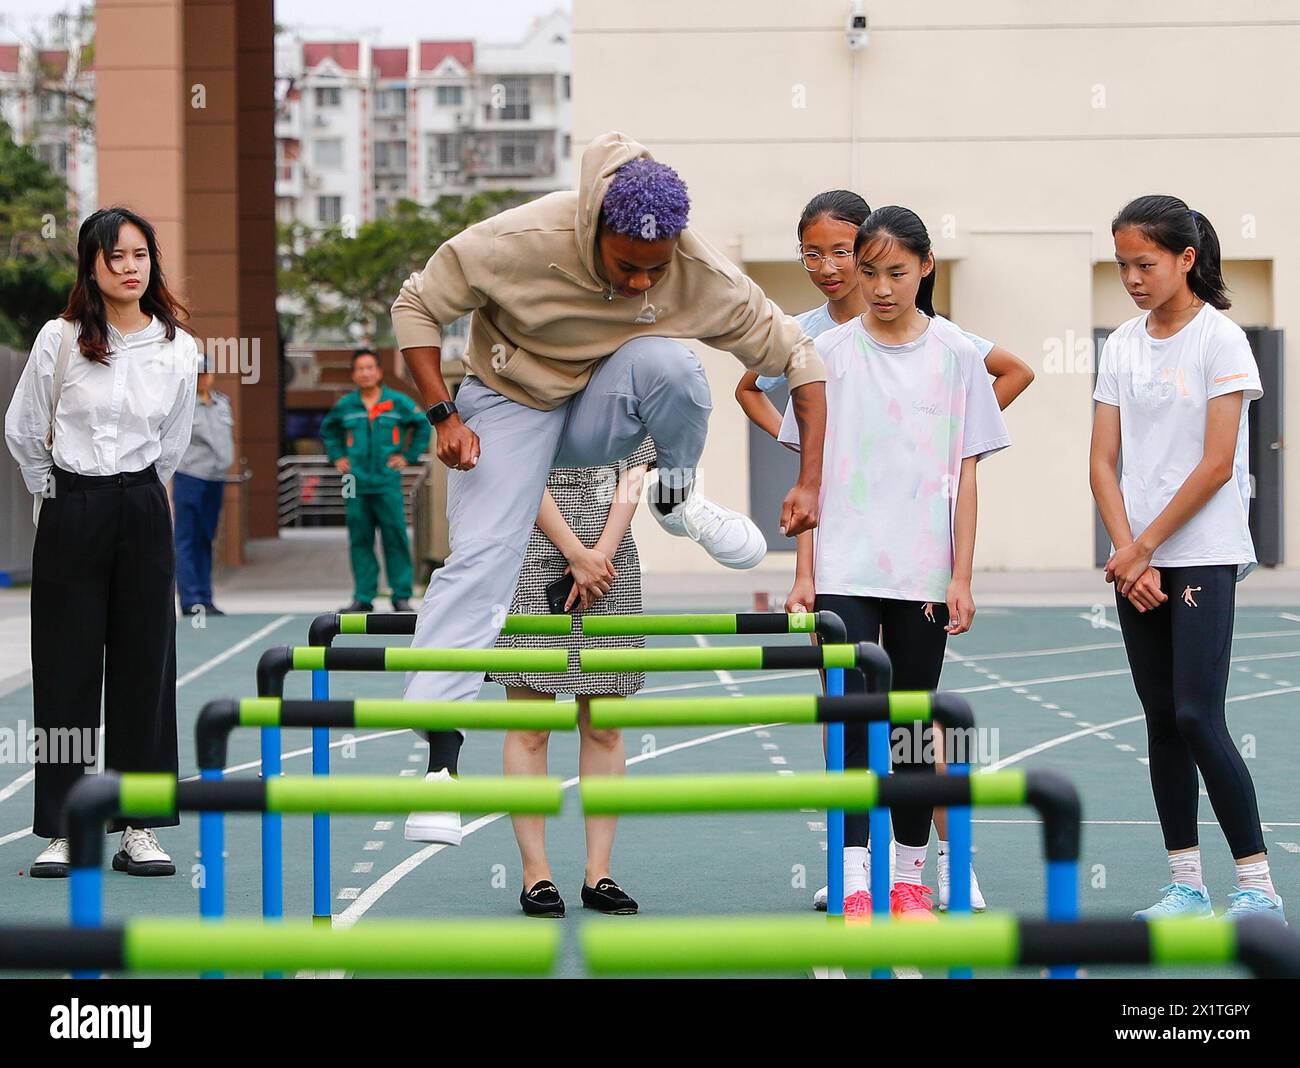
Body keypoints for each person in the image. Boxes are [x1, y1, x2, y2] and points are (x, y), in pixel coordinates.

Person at [390, 132, 827, 846]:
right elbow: (415, 306)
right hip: (508, 402)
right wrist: (442, 412)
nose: (639, 285)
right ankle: (441, 768)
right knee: (481, 560)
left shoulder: (698, 271)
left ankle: (677, 495)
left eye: (655, 272)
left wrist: (809, 479)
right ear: (594, 227)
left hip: (602, 409)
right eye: (627, 268)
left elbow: (801, 360)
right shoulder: (519, 238)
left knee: (675, 368)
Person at [736, 190, 1033, 912]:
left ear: (926, 267)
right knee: (854, 725)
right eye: (867, 270)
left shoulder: (959, 355)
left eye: (895, 272)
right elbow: (809, 476)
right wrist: (806, 571)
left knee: (915, 723)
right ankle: (856, 873)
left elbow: (965, 473)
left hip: (923, 570)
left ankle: (920, 870)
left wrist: (961, 574)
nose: (879, 286)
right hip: (847, 566)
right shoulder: (821, 352)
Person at [1091, 195, 1283, 922]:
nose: (1133, 278)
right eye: (1122, 265)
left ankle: (1258, 887)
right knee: (1161, 720)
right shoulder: (1121, 345)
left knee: (1200, 714)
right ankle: (1185, 885)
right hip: (1134, 562)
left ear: (1186, 259)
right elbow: (1102, 463)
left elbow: (1214, 465)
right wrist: (1126, 551)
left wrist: (1145, 547)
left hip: (1200, 554)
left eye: (1145, 264)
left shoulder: (1220, 341)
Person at [4, 206, 199, 878]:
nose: (128, 267)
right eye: (114, 256)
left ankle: (138, 826)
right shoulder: (59, 339)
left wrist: (138, 495)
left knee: (146, 670)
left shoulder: (179, 346)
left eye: (139, 254)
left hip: (143, 507)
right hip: (71, 506)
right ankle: (64, 827)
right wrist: (55, 493)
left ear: (153, 262)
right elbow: (25, 429)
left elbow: (174, 439)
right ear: (91, 265)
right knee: (65, 671)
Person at [488, 436, 656, 916]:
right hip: (530, 552)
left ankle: (598, 873)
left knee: (604, 725)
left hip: (611, 565)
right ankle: (535, 875)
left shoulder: (628, 375)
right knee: (530, 726)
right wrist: (573, 552)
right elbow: (518, 467)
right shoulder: (524, 380)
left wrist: (597, 555)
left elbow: (636, 471)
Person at [320, 347, 430, 613]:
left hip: (386, 481)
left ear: (379, 372)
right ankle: (363, 596)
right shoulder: (346, 406)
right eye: (360, 368)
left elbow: (423, 425)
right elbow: (329, 430)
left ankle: (401, 595)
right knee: (360, 538)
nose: (366, 373)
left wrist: (408, 457)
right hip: (354, 483)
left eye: (370, 368)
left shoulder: (397, 402)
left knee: (395, 536)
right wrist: (338, 457)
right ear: (354, 374)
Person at [173, 365, 234, 616]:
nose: (202, 379)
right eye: (197, 374)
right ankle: (191, 600)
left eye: (205, 373)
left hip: (215, 478)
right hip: (191, 476)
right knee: (187, 538)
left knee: (206, 537)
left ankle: (206, 597)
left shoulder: (222, 403)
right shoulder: (183, 405)